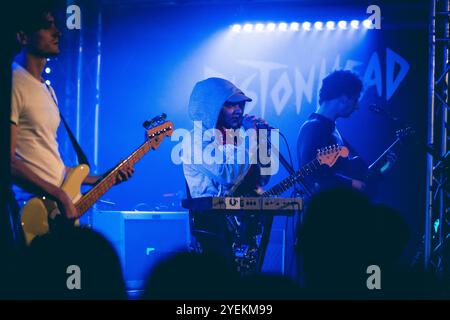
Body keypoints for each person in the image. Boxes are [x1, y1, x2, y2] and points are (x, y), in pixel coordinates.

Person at [10, 2, 134, 234]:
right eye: (47, 27)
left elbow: (49, 162)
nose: (57, 32)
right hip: (33, 211)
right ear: (22, 36)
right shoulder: (13, 82)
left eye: (55, 25)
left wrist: (103, 178)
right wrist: (60, 195)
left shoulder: (48, 90)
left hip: (56, 210)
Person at [183, 77, 271, 273]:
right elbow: (227, 174)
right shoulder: (194, 140)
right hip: (212, 226)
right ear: (212, 107)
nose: (238, 110)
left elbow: (264, 177)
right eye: (230, 105)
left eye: (240, 105)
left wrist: (263, 138)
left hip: (243, 222)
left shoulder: (237, 136)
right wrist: (250, 136)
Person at [296, 70, 366, 195]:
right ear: (344, 99)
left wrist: (385, 166)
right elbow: (310, 175)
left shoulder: (330, 128)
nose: (357, 107)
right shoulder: (314, 127)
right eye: (355, 100)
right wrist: (350, 183)